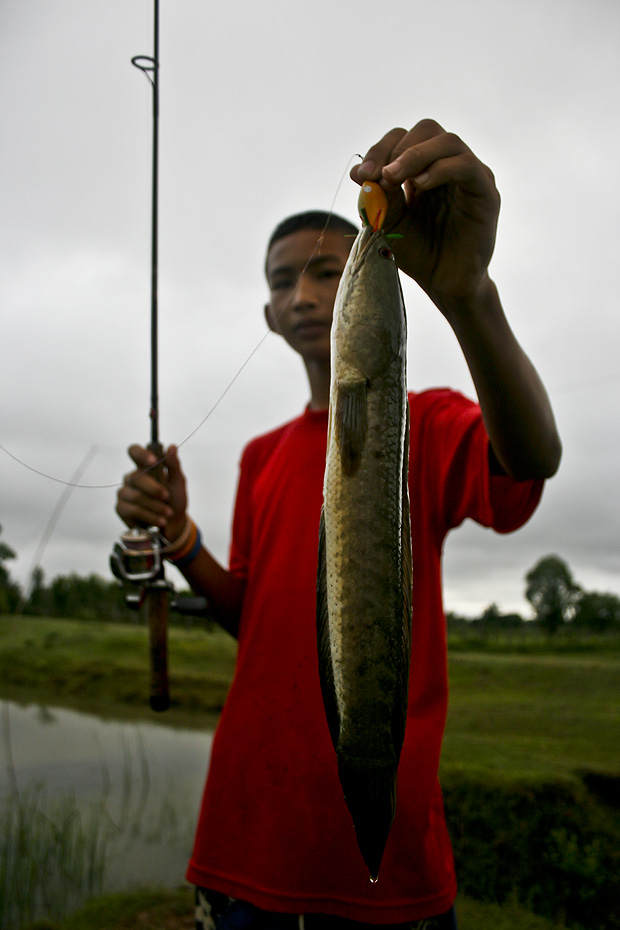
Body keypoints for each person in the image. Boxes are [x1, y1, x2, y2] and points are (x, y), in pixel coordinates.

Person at [116, 119, 562, 929]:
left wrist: (469, 296)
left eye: (328, 271)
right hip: (243, 842)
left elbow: (530, 458)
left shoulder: (429, 422)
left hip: (387, 872)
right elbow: (251, 616)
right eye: (286, 281)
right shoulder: (259, 457)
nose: (307, 295)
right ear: (267, 312)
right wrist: (183, 541)